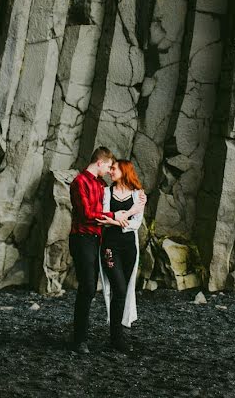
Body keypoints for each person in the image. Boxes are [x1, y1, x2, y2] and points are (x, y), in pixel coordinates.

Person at [68, 146, 119, 354]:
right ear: (99, 162)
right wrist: (113, 217)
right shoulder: (79, 181)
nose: (109, 170)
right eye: (108, 166)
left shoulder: (100, 184)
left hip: (97, 239)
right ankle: (79, 339)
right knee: (88, 286)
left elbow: (116, 197)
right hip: (82, 238)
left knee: (92, 287)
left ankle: (83, 337)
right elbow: (88, 213)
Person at [98, 159, 146, 352]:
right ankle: (116, 337)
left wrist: (117, 220)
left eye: (114, 168)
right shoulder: (107, 192)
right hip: (110, 248)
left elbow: (136, 224)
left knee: (124, 291)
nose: (110, 171)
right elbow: (103, 217)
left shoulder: (138, 195)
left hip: (129, 249)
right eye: (110, 168)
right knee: (118, 288)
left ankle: (118, 332)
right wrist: (127, 215)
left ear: (124, 170)